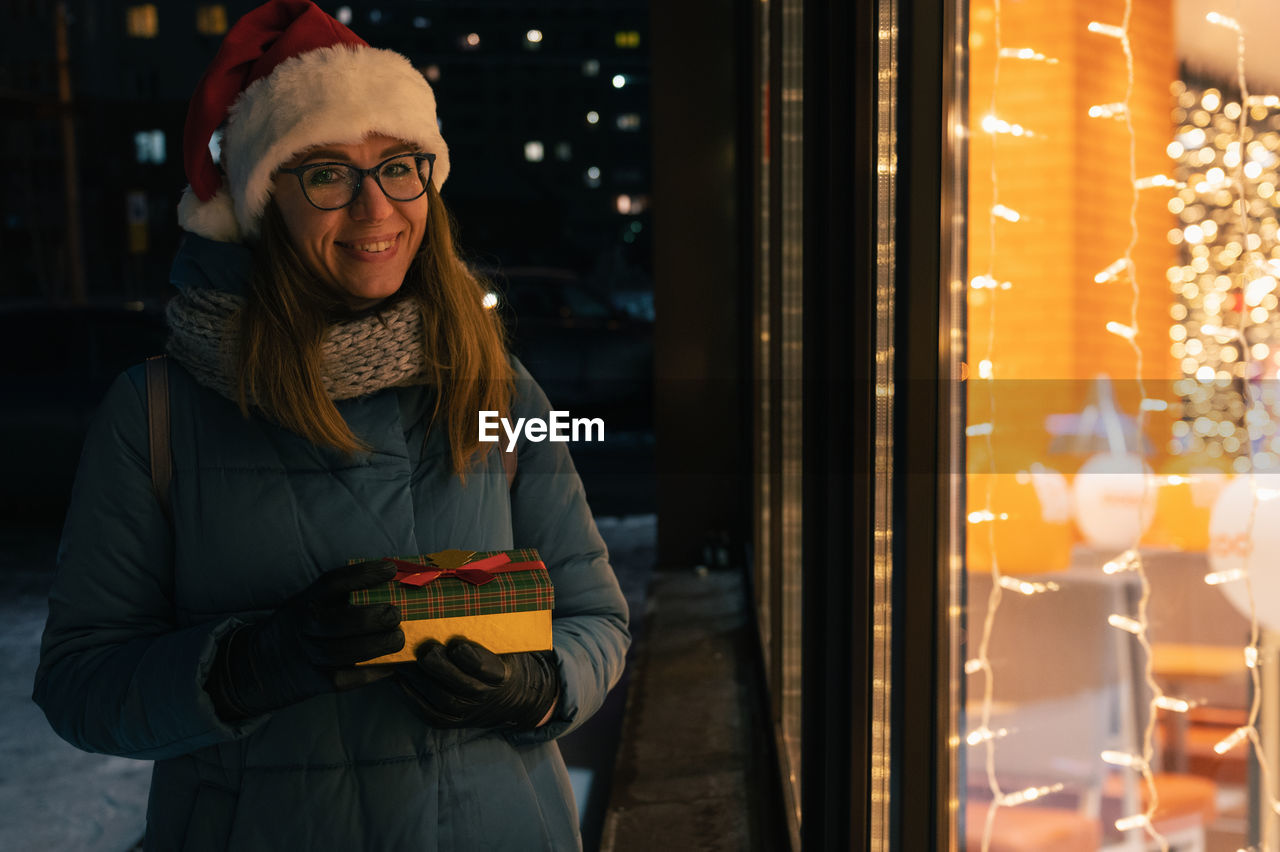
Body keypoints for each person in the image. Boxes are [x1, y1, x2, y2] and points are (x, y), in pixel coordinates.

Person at [32, 2, 630, 849]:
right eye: (325, 173)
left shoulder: (493, 389)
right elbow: (80, 683)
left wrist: (534, 686)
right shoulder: (156, 413)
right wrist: (246, 666)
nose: (375, 209)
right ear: (261, 201)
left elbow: (596, 618)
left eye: (398, 166)